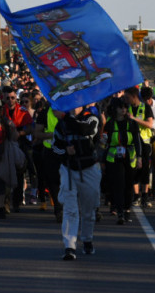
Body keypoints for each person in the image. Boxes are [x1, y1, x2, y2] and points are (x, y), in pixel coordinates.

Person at [52, 105, 102, 260]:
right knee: (70, 209)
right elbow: (55, 146)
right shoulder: (61, 124)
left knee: (89, 208)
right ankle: (69, 245)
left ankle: (87, 239)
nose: (74, 104)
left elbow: (84, 130)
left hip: (89, 168)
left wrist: (65, 117)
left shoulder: (92, 118)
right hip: (69, 169)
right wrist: (66, 151)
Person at [103, 98, 142, 225]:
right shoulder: (109, 123)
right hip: (114, 158)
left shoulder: (132, 123)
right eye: (121, 107)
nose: (123, 109)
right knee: (118, 184)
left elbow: (137, 141)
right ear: (115, 109)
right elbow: (104, 142)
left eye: (125, 107)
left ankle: (127, 209)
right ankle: (120, 212)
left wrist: (140, 157)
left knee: (128, 185)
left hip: (130, 157)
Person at [125, 87, 155, 208]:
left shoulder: (145, 107)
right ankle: (136, 196)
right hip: (131, 142)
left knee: (145, 170)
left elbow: (149, 124)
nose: (126, 100)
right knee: (133, 169)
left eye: (128, 97)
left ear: (134, 96)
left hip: (144, 142)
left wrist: (134, 119)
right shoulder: (127, 108)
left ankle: (145, 195)